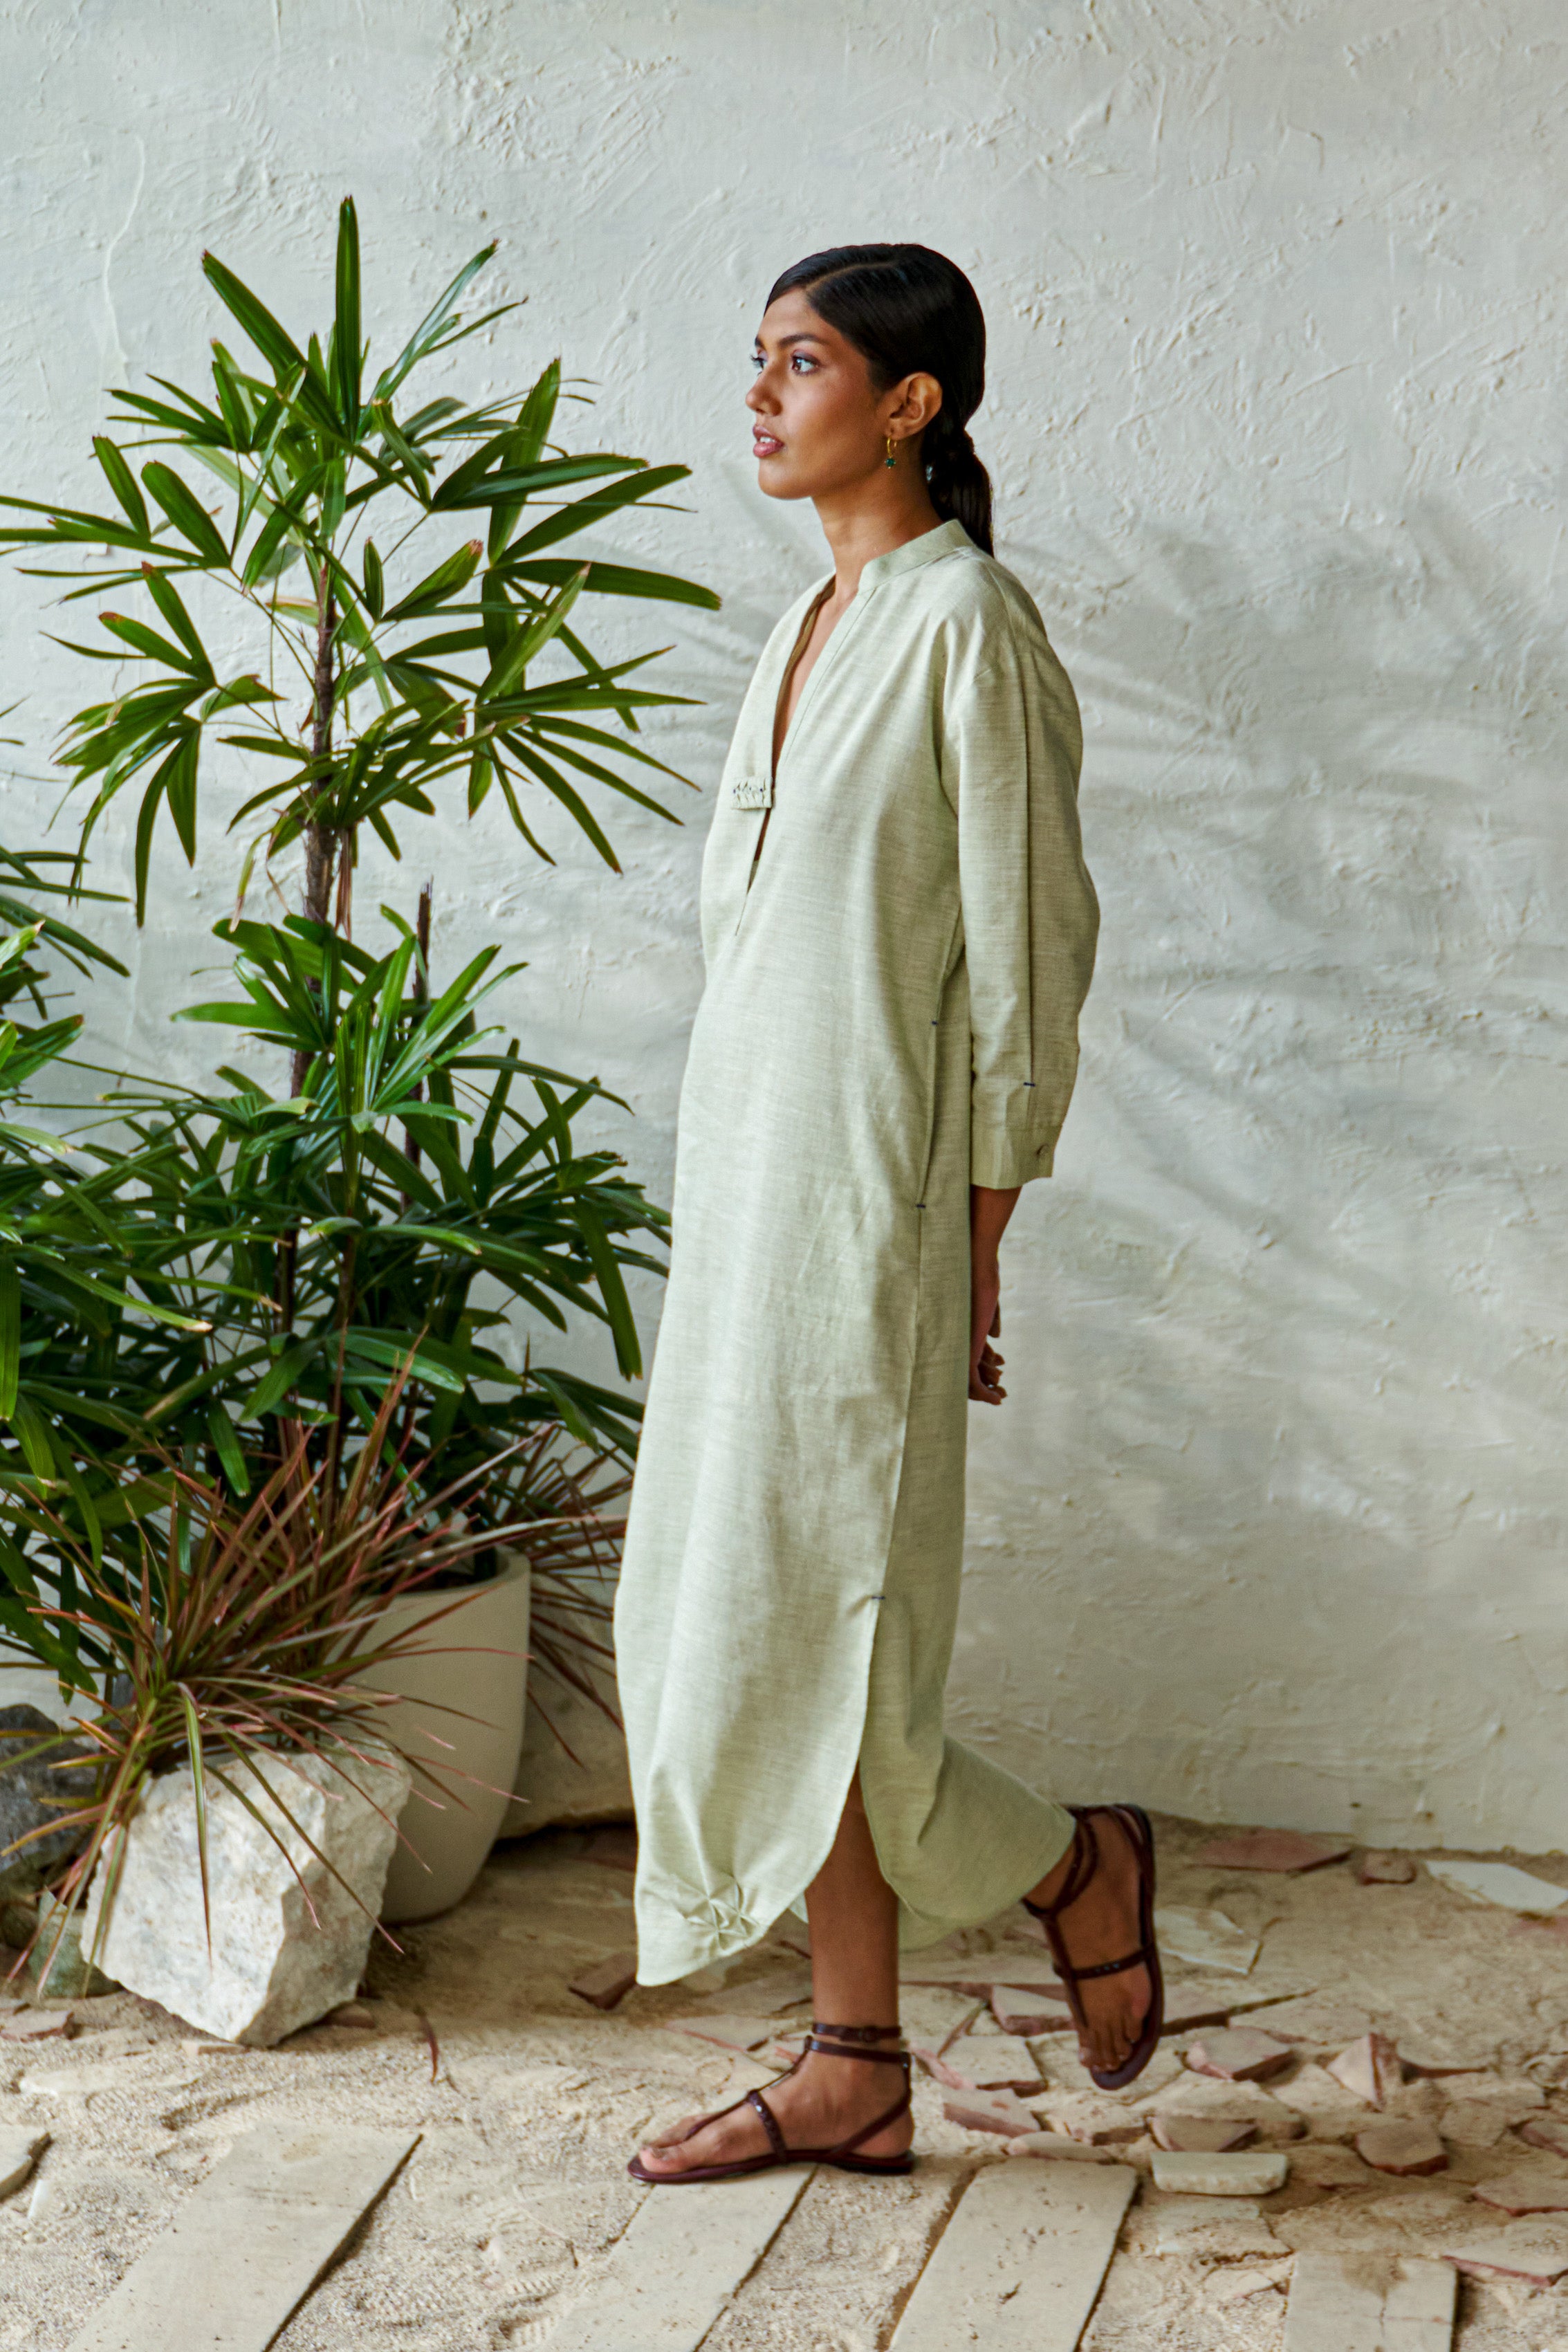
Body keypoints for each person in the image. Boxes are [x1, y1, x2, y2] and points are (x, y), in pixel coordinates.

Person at [614, 243, 1162, 2185]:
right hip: (747, 1195)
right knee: (758, 1609)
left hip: (875, 1199)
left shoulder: (965, 626)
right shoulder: (805, 624)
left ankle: (1058, 1875)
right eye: (758, 361)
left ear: (909, 403)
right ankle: (863, 2049)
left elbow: (1028, 952)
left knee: (839, 1616)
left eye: (802, 364)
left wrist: (975, 1236)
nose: (762, 398)